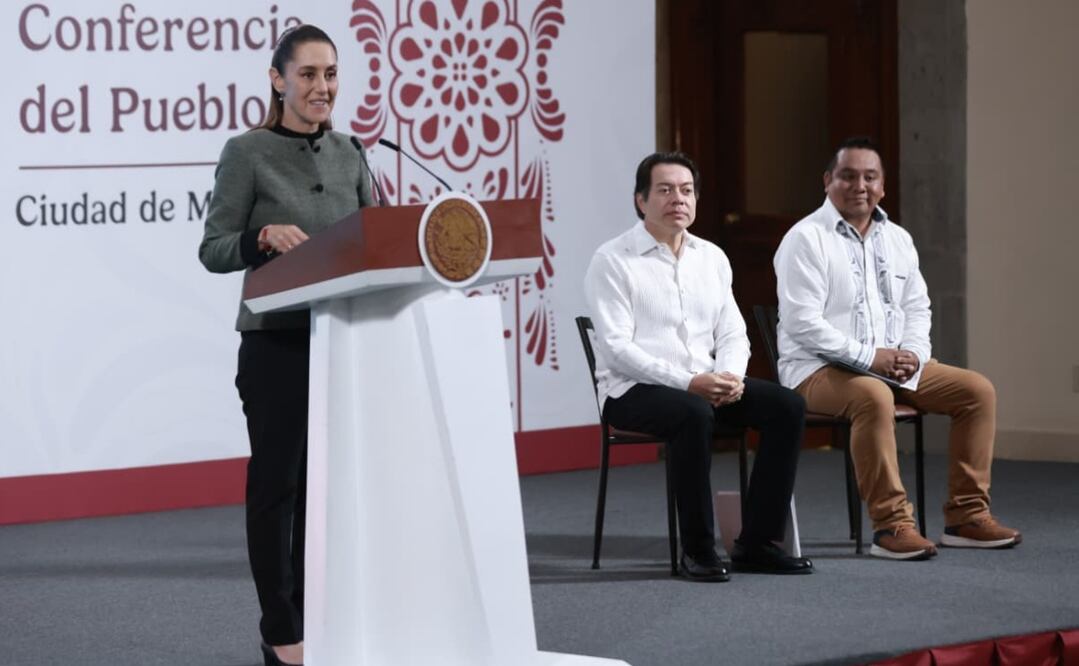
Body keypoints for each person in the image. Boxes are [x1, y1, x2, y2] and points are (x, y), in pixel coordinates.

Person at [198, 25, 374, 666]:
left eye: (331, 73)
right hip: (277, 346)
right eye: (308, 74)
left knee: (331, 494)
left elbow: (376, 239)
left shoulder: (352, 151)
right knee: (279, 490)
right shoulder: (247, 152)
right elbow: (214, 248)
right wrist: (263, 236)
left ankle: (321, 616)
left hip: (345, 343)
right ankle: (281, 626)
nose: (323, 86)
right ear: (278, 80)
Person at [773, 136, 1021, 561]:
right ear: (828, 181)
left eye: (870, 177)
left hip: (891, 367)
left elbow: (917, 307)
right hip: (817, 371)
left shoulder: (898, 239)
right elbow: (803, 324)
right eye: (848, 176)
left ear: (883, 186)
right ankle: (891, 526)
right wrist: (872, 358)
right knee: (873, 396)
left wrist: (914, 355)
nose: (860, 186)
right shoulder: (806, 239)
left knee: (976, 391)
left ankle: (966, 517)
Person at [584, 151, 813, 582]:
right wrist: (690, 382)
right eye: (665, 190)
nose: (678, 199)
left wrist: (730, 377)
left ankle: (758, 544)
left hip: (705, 384)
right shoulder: (612, 260)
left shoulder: (712, 257)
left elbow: (733, 331)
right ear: (640, 200)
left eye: (687, 190)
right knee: (692, 413)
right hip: (631, 391)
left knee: (787, 407)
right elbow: (616, 350)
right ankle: (699, 550)